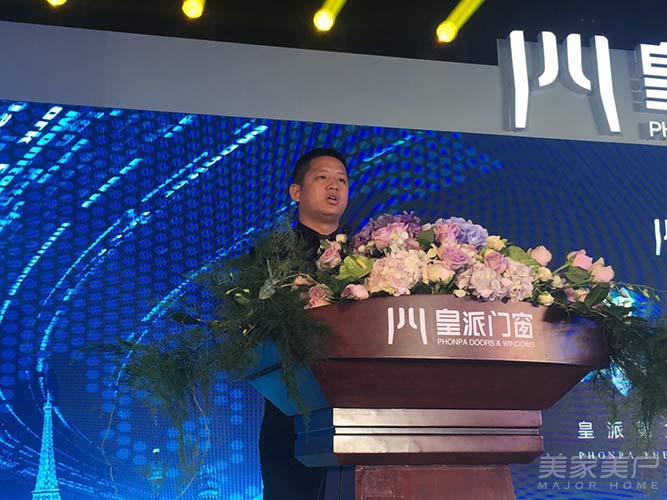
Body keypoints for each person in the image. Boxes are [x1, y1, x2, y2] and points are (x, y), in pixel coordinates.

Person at [259, 147, 349, 500]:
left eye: (341, 180)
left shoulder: (368, 253)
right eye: (322, 177)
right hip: (294, 412)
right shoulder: (271, 256)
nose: (334, 186)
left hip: (360, 411)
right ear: (296, 192)